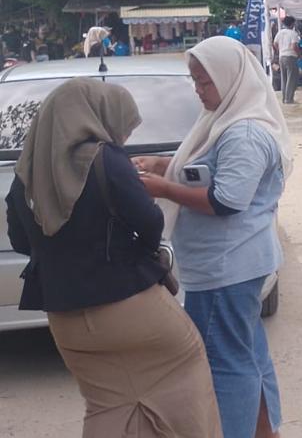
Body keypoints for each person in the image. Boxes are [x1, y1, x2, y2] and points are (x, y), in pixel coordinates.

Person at [5, 79, 221, 437]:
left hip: (64, 315)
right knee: (185, 368)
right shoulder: (105, 159)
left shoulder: (25, 175)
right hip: (130, 305)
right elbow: (149, 222)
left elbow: (20, 241)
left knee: (108, 402)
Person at [136, 36, 291, 438]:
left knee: (224, 364)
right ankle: (264, 431)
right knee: (248, 356)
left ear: (231, 79)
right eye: (195, 81)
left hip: (227, 268)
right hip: (230, 265)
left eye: (206, 82)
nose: (198, 90)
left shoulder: (244, 134)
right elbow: (207, 170)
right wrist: (165, 165)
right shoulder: (224, 124)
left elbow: (226, 200)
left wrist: (163, 188)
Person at [274, 16, 302, 104]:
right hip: (290, 56)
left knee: (284, 78)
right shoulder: (293, 33)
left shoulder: (280, 32)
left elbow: (275, 44)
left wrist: (280, 50)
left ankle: (284, 98)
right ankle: (289, 99)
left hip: (282, 56)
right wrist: (299, 54)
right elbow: (294, 46)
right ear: (292, 24)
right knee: (291, 78)